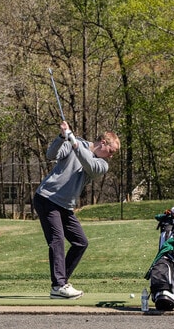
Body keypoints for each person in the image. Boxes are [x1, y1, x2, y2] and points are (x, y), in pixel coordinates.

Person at [34, 120, 120, 299]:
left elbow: (88, 164)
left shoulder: (102, 164)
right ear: (103, 142)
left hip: (65, 205)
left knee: (81, 242)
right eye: (111, 151)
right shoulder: (75, 143)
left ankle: (61, 281)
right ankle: (59, 286)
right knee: (57, 240)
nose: (111, 156)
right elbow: (51, 155)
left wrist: (74, 142)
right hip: (47, 197)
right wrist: (62, 137)